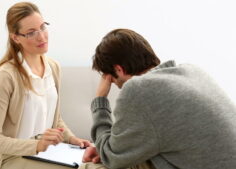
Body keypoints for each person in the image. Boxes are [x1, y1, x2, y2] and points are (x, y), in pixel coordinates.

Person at [82, 28, 236, 169]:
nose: (115, 85)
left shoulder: (138, 89)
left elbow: (112, 159)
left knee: (89, 167)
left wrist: (100, 100)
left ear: (118, 69)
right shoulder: (192, 71)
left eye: (111, 80)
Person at [0, 2, 90, 169]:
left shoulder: (53, 67)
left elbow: (55, 118)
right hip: (11, 158)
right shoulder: (5, 76)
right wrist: (36, 146)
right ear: (16, 37)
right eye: (31, 33)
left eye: (43, 27)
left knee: (96, 163)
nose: (41, 37)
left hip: (47, 153)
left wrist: (72, 139)